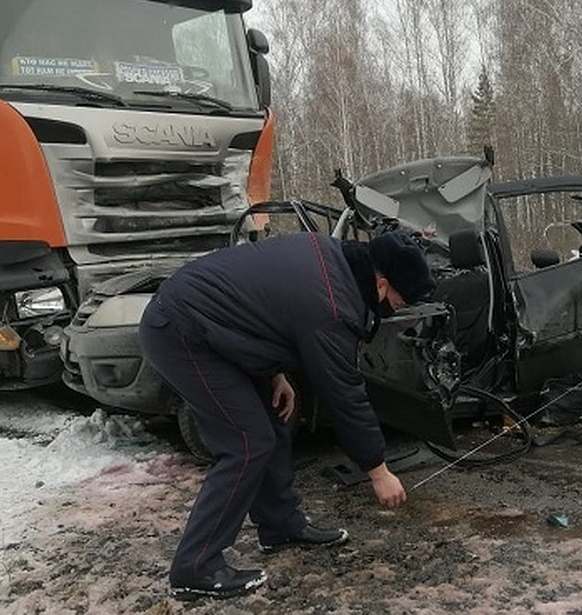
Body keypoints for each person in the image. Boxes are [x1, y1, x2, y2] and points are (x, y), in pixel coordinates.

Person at [138, 230, 436, 601]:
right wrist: (378, 471)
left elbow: (265, 309)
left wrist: (275, 373)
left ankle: (280, 525)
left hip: (216, 328)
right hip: (182, 332)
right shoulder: (333, 305)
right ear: (381, 284)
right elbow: (345, 395)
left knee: (275, 418)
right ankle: (194, 568)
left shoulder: (333, 256)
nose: (398, 310)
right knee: (246, 441)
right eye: (398, 301)